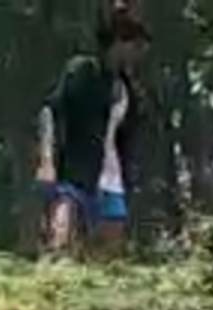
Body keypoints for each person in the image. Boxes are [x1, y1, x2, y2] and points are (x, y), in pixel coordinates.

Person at [34, 5, 149, 257]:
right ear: (119, 44)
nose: (138, 56)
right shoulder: (82, 71)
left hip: (111, 183)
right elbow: (50, 112)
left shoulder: (126, 89)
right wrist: (46, 161)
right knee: (60, 249)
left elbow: (122, 142)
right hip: (73, 177)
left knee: (105, 262)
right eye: (136, 47)